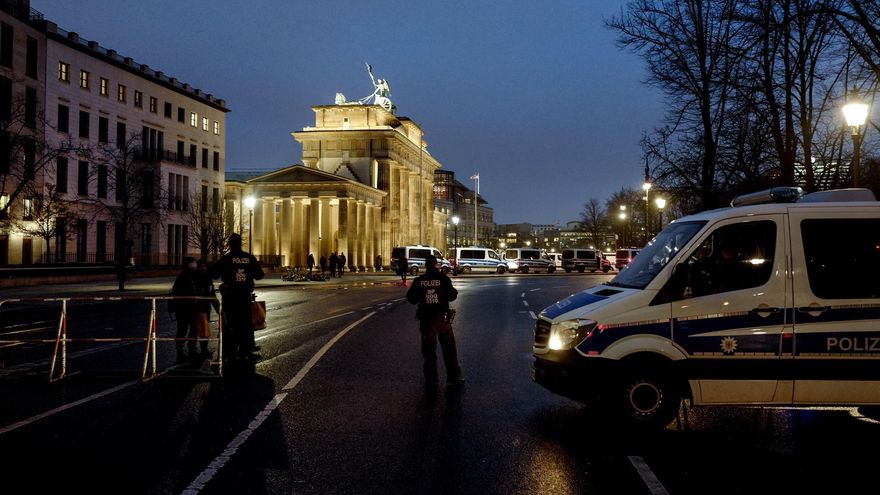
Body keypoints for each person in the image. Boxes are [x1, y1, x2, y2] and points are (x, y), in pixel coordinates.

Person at [406, 254, 463, 387]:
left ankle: (432, 379)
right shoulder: (443, 279)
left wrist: (423, 296)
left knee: (429, 351)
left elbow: (411, 298)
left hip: (426, 319)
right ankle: (453, 377)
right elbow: (452, 295)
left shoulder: (419, 280)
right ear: (436, 264)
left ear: (425, 265)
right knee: (449, 349)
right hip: (442, 318)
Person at [210, 233, 264, 361]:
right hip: (245, 295)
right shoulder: (249, 258)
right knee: (246, 323)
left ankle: (229, 349)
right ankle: (246, 348)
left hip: (230, 296)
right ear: (240, 243)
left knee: (229, 324)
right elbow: (260, 275)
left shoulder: (226, 259)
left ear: (230, 244)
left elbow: (214, 274)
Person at [170, 257, 199, 363]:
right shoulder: (182, 277)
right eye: (192, 263)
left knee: (193, 330)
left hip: (193, 309)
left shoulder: (194, 276)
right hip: (184, 309)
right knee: (182, 330)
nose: (194, 265)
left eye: (195, 263)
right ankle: (180, 351)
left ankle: (191, 349)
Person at [195, 259, 220, 359]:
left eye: (205, 266)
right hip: (195, 308)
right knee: (194, 330)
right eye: (201, 266)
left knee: (204, 329)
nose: (203, 268)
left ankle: (203, 349)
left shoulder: (208, 278)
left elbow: (212, 294)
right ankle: (190, 350)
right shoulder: (194, 278)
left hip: (205, 307)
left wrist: (218, 308)